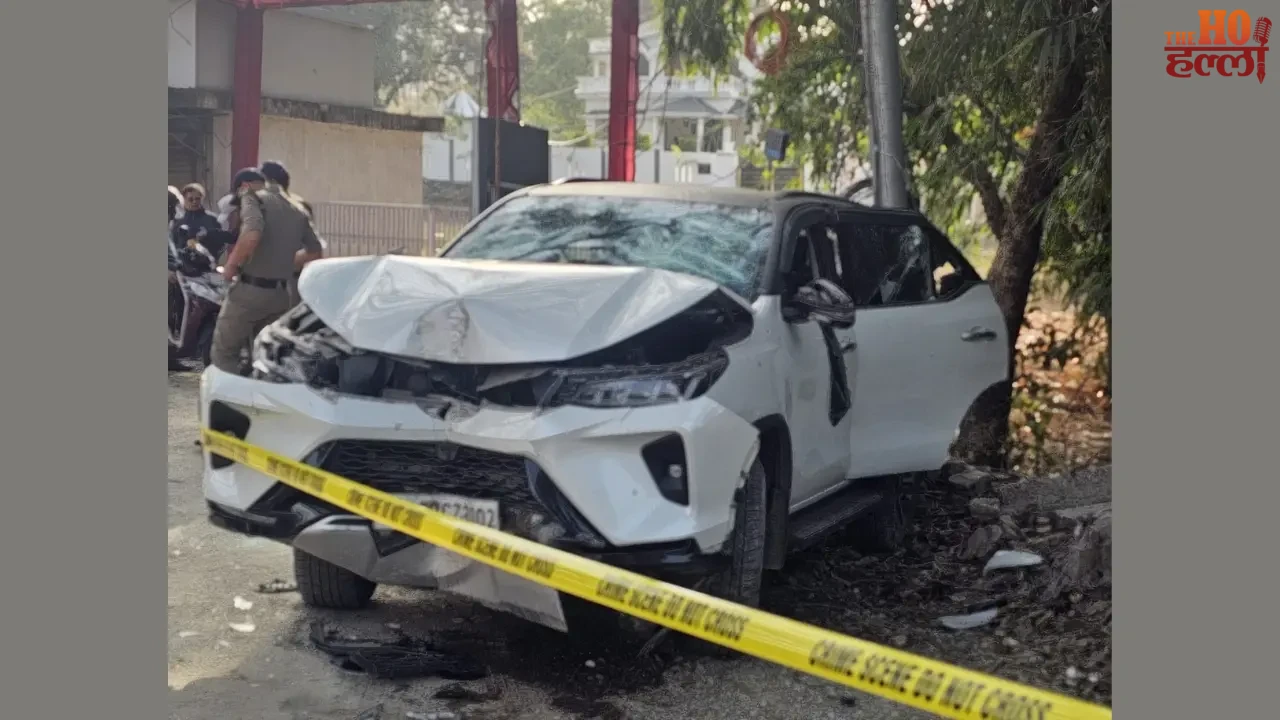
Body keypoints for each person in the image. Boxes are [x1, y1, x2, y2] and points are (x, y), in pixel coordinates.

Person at [209, 162, 324, 374]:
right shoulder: (297, 206)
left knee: (224, 354)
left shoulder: (253, 197)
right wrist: (282, 264)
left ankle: (228, 402)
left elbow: (252, 233)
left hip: (249, 292)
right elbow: (315, 251)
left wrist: (230, 267)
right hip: (282, 295)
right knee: (266, 357)